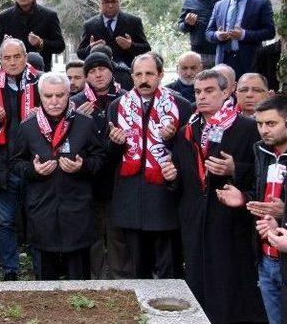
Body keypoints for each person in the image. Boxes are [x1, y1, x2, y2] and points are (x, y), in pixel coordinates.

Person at [165, 69, 266, 323]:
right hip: (194, 220)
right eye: (198, 92)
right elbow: (180, 179)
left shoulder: (249, 129)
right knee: (197, 282)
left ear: (226, 92)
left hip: (231, 222)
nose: (202, 97)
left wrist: (236, 170)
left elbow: (265, 176)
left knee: (229, 284)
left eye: (209, 91)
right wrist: (171, 177)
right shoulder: (186, 132)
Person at [10, 72, 105, 280]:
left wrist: (83, 166)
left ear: (69, 94)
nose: (54, 101)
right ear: (40, 96)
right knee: (46, 283)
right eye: (48, 96)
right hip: (42, 209)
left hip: (77, 210)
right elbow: (15, 163)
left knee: (78, 278)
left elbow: (101, 160)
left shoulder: (84, 123)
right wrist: (33, 171)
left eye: (60, 95)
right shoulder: (28, 127)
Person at [107, 53, 192, 279]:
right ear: (132, 76)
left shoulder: (181, 106)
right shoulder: (117, 106)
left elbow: (189, 154)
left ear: (161, 75)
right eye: (138, 74)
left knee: (169, 268)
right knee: (138, 268)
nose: (144, 79)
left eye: (149, 74)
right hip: (131, 197)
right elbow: (109, 157)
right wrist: (115, 143)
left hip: (164, 197)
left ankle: (174, 314)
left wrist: (173, 138)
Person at [216, 95, 287, 324]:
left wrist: (283, 214)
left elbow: (279, 208)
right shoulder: (261, 150)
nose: (264, 130)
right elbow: (262, 195)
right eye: (259, 123)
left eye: (271, 123)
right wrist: (243, 198)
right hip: (265, 257)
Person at [0, 37, 41, 280]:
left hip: (35, 163)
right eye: (7, 57)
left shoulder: (41, 81)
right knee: (5, 221)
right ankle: (10, 269)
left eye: (17, 57)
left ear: (26, 57)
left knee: (36, 218)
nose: (12, 62)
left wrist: (41, 115)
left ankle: (40, 266)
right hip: (2, 164)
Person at [71, 52, 128, 279]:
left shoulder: (125, 98)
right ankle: (97, 277)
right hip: (88, 176)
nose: (98, 74)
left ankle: (121, 276)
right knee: (93, 233)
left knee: (117, 232)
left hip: (118, 175)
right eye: (92, 71)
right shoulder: (75, 102)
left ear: (111, 71)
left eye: (102, 69)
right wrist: (74, 120)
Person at [206, 0, 276, 78]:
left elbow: (270, 32)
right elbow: (208, 32)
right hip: (223, 61)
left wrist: (244, 35)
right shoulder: (219, 5)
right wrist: (217, 35)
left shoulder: (262, 4)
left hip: (250, 62)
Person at [0, 0, 65, 71]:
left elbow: (60, 46)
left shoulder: (49, 15)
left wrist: (41, 43)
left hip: (39, 73)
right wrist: (5, 43)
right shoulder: (4, 17)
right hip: (12, 72)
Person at [77, 0, 150, 67]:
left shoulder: (133, 22)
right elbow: (80, 53)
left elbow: (146, 49)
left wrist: (130, 46)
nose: (110, 5)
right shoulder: (89, 25)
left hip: (126, 73)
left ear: (119, 2)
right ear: (100, 3)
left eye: (114, 1)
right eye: (106, 2)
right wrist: (91, 48)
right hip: (99, 73)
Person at [177, 0, 231, 69]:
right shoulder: (190, 0)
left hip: (225, 53)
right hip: (198, 56)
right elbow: (181, 27)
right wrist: (187, 24)